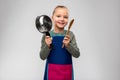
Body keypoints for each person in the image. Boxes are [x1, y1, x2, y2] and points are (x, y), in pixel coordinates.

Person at [39, 5, 80, 80]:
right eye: (58, 16)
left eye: (65, 17)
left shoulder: (70, 34)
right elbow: (42, 56)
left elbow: (77, 54)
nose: (62, 19)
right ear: (52, 18)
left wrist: (68, 45)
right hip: (52, 70)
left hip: (67, 71)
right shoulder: (47, 35)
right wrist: (48, 45)